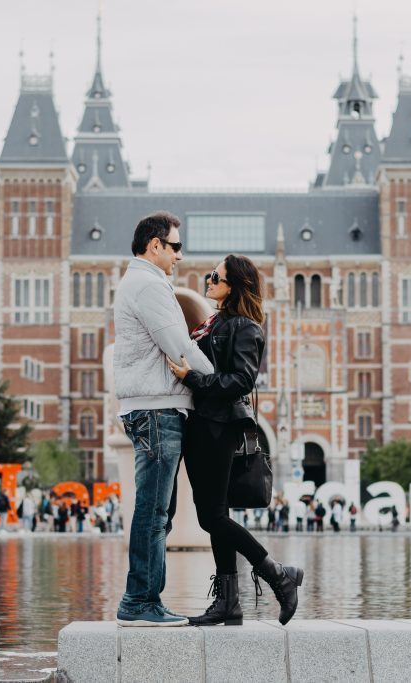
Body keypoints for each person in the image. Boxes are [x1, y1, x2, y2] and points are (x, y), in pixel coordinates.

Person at [168, 253, 304, 627]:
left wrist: (191, 378)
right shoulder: (217, 321)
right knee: (215, 515)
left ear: (235, 286)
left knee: (211, 516)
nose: (208, 281)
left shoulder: (246, 327)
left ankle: (278, 574)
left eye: (216, 276)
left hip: (218, 427)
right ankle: (229, 603)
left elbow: (242, 381)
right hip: (203, 425)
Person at [113, 211, 215, 628]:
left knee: (158, 512)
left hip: (152, 406)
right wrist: (221, 383)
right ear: (154, 245)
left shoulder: (142, 283)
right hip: (156, 409)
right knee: (153, 511)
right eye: (175, 246)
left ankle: (146, 599)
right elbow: (178, 344)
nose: (180, 255)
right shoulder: (148, 286)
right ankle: (139, 602)